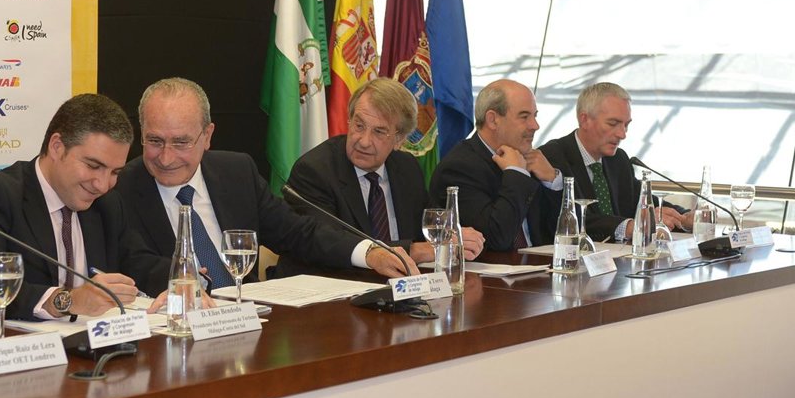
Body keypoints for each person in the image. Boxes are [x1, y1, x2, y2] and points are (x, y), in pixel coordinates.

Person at [115, 77, 415, 288]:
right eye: (155, 141)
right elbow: (132, 264)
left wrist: (369, 253)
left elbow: (298, 233)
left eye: (181, 142)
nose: (166, 158)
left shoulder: (236, 173)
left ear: (207, 136)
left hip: (248, 323)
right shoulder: (120, 189)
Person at [0, 93, 168, 320]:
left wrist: (184, 282)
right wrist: (68, 300)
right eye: (93, 166)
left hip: (90, 338)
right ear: (57, 147)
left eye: (115, 172)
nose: (103, 185)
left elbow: (140, 265)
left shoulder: (107, 204)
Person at [286, 77, 485, 265]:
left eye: (379, 132)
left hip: (400, 284)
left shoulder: (406, 168)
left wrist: (454, 237)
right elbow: (329, 245)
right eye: (359, 125)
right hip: (333, 283)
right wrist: (415, 251)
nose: (364, 141)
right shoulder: (315, 171)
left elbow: (429, 228)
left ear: (399, 140)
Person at [540, 82, 691, 241]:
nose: (622, 134)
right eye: (613, 124)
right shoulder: (553, 157)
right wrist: (628, 227)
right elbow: (570, 218)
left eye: (626, 125)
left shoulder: (618, 159)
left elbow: (645, 202)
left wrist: (685, 217)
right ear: (584, 120)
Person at [429, 79, 562, 251]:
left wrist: (551, 180)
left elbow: (567, 233)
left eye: (534, 116)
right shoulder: (458, 168)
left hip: (539, 262)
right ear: (492, 120)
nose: (535, 126)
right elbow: (495, 239)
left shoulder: (530, 159)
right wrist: (516, 173)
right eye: (524, 117)